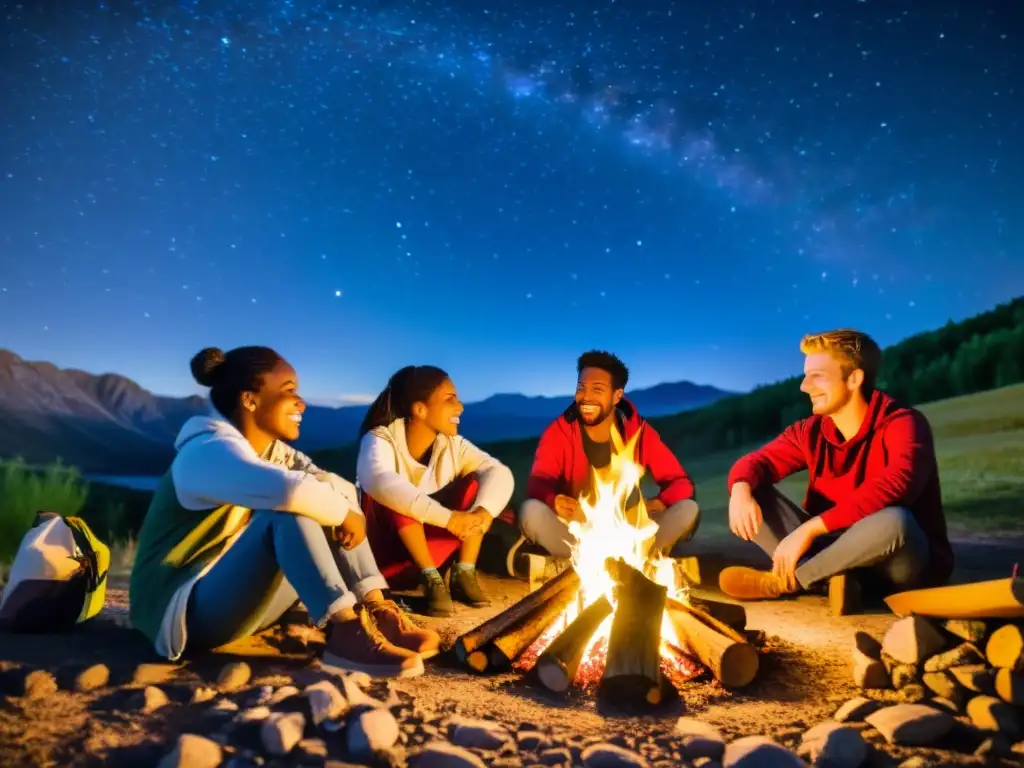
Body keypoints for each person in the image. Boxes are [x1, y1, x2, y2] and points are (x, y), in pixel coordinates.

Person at [129, 346, 440, 678]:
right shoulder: (205, 453)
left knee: (319, 503)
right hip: (183, 616)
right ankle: (346, 633)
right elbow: (292, 492)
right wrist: (346, 514)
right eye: (289, 391)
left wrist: (343, 509)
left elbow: (338, 488)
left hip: (240, 604)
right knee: (289, 512)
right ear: (249, 400)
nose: (301, 403)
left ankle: (375, 609)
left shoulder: (273, 452)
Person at [718, 329, 955, 616]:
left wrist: (811, 528)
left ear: (854, 378)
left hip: (899, 564)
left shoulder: (903, 423)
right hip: (832, 550)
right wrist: (741, 488)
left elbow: (898, 483)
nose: (805, 386)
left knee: (896, 520)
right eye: (805, 376)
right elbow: (758, 462)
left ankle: (787, 582)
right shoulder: (810, 431)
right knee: (751, 487)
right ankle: (836, 580)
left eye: (817, 376)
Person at [356, 365, 516, 617]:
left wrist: (483, 514)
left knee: (476, 482)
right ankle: (431, 579)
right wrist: (449, 519)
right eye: (450, 399)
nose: (460, 407)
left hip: (428, 551)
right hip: (381, 559)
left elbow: (498, 471)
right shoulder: (379, 439)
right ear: (420, 409)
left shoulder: (452, 445)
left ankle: (463, 572)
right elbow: (379, 480)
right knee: (398, 492)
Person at [518, 350, 700, 560]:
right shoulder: (560, 431)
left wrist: (659, 503)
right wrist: (553, 499)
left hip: (628, 532)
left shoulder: (638, 432)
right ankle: (586, 563)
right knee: (530, 511)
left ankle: (630, 560)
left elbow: (681, 483)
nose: (586, 397)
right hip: (577, 532)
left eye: (597, 390)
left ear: (617, 395)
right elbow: (538, 481)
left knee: (688, 509)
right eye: (581, 388)